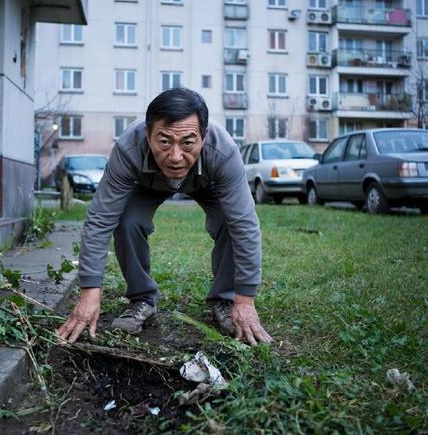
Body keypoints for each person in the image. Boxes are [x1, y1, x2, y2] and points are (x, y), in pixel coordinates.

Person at [57, 88, 273, 346]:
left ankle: (225, 300)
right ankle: (142, 298)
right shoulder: (129, 147)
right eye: (164, 142)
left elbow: (245, 224)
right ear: (148, 135)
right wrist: (89, 292)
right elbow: (100, 218)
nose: (175, 156)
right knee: (127, 221)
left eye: (188, 143)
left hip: (207, 183)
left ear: (204, 137)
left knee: (230, 221)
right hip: (148, 184)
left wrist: (245, 300)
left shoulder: (223, 150)